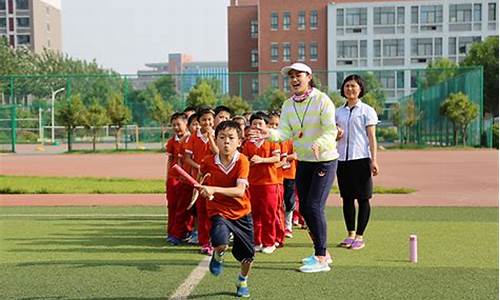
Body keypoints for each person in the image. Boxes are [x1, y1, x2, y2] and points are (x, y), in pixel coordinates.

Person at [249, 62, 339, 273]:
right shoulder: (289, 104)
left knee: (314, 206)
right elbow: (284, 133)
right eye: (291, 77)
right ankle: (322, 251)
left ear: (309, 77)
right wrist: (268, 134)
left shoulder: (322, 100)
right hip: (304, 160)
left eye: (299, 75)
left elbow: (331, 130)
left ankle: (321, 257)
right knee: (306, 208)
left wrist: (319, 143)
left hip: (324, 159)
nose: (294, 80)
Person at [196, 120, 254, 298]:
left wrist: (214, 189)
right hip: (218, 210)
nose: (226, 141)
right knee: (220, 242)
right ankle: (218, 254)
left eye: (231, 138)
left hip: (242, 212)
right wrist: (202, 189)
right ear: (215, 140)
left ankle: (242, 280)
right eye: (222, 137)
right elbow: (200, 179)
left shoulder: (242, 161)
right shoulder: (207, 162)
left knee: (248, 256)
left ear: (239, 141)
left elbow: (239, 191)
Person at [335, 74, 379, 251]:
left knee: (363, 198)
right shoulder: (338, 112)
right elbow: (333, 134)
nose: (350, 89)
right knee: (346, 198)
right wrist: (336, 133)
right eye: (347, 86)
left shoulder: (367, 111)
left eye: (353, 86)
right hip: (342, 160)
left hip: (361, 158)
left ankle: (360, 236)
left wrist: (374, 159)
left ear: (360, 89)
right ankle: (350, 233)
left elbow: (371, 137)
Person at [242, 112, 281, 254]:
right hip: (253, 183)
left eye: (260, 124)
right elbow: (244, 160)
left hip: (269, 183)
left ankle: (269, 242)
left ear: (266, 126)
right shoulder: (248, 144)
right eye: (254, 124)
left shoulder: (272, 141)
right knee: (254, 215)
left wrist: (262, 160)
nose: (257, 127)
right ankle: (257, 241)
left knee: (269, 214)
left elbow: (277, 158)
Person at [184, 108, 218, 255]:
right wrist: (199, 167)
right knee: (202, 211)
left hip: (214, 180)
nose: (207, 122)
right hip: (199, 181)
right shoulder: (192, 137)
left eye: (210, 119)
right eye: (204, 120)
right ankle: (204, 242)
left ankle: (215, 240)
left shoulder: (217, 135)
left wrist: (211, 138)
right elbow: (187, 158)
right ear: (199, 121)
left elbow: (218, 153)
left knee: (214, 211)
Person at [165, 112, 190, 245]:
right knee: (172, 206)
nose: (176, 127)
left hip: (187, 178)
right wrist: (168, 176)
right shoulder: (171, 142)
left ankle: (181, 233)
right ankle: (171, 232)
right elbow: (170, 160)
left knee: (184, 206)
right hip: (174, 178)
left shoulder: (191, 140)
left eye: (178, 124)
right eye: (173, 125)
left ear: (186, 124)